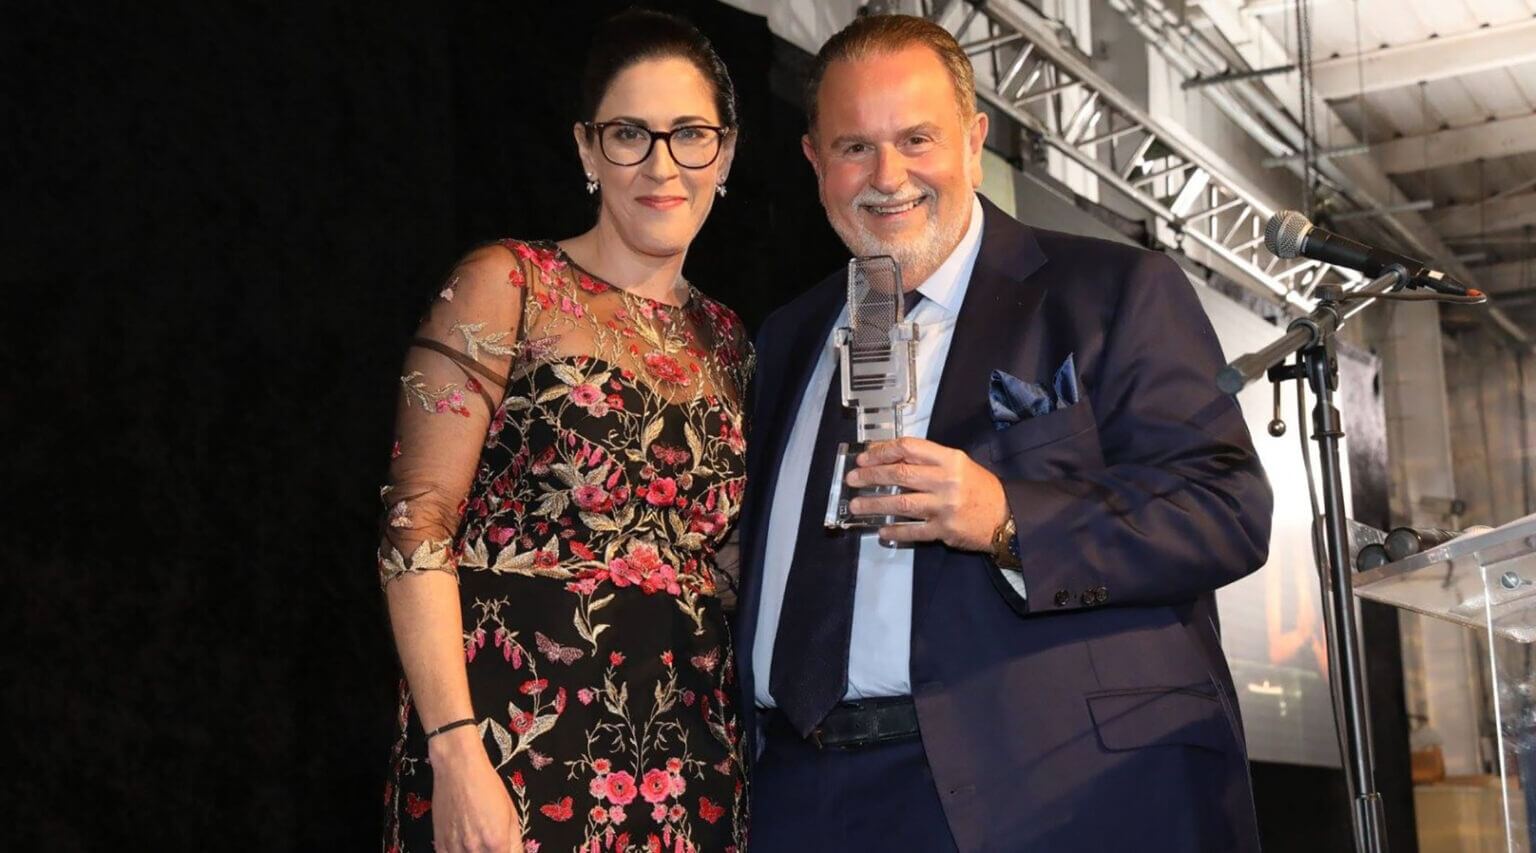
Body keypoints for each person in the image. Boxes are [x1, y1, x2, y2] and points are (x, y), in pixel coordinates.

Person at [736, 14, 1273, 853]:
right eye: (853, 148)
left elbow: (1226, 508)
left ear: (974, 138)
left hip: (1044, 791)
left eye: (916, 138)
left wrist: (1007, 517)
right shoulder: (786, 338)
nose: (888, 176)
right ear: (813, 161)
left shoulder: (1111, 291)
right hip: (801, 798)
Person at [379, 10, 751, 852]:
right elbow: (416, 522)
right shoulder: (505, 283)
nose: (662, 165)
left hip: (689, 757)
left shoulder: (732, 343)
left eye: (689, 135)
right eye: (630, 133)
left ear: (724, 155)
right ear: (588, 150)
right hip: (511, 742)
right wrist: (454, 749)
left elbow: (731, 563)